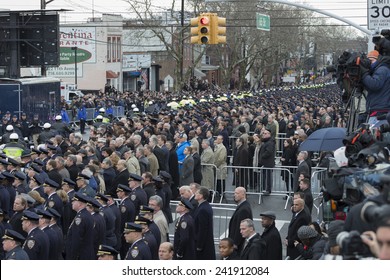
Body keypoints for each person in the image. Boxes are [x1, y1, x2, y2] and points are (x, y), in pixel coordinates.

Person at [360, 50, 390, 125]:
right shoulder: (378, 70)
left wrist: (364, 74)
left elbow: (375, 85)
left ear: (378, 60)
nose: (369, 63)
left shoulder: (382, 69)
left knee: (375, 135)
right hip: (378, 109)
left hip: (380, 111)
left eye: (371, 60)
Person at [65, 193, 95, 260]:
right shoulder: (86, 214)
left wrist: (73, 256)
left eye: (74, 201)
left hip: (80, 255)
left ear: (79, 204)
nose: (72, 203)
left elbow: (76, 239)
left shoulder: (80, 218)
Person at [193, 187, 216, 260]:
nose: (195, 194)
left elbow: (202, 229)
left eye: (197, 193)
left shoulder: (203, 209)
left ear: (201, 196)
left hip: (203, 244)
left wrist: (199, 245)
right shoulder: (203, 206)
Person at [228, 187, 253, 251]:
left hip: (238, 244)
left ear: (243, 194)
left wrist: (236, 243)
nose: (234, 195)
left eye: (237, 193)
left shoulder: (243, 209)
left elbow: (240, 227)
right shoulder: (243, 205)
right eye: (234, 193)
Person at [259, 129, 275, 195]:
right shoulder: (267, 142)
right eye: (263, 133)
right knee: (265, 177)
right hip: (266, 162)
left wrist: (262, 156)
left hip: (268, 163)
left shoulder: (270, 142)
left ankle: (268, 190)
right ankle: (266, 189)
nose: (263, 135)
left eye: (265, 133)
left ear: (269, 134)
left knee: (268, 177)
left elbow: (269, 152)